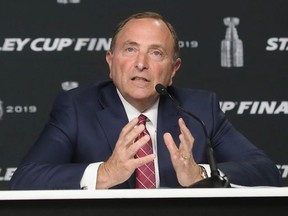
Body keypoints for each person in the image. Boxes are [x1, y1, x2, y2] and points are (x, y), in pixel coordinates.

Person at [10, 11, 281, 190]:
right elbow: (25, 179)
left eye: (156, 53)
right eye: (130, 49)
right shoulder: (77, 108)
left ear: (173, 70)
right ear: (110, 61)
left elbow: (265, 171)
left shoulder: (199, 110)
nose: (141, 64)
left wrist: (201, 174)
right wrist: (104, 173)